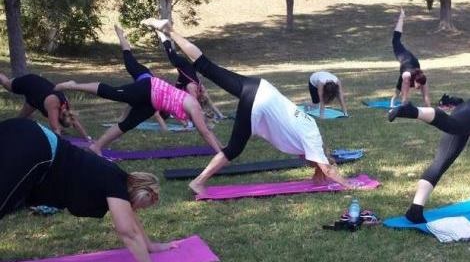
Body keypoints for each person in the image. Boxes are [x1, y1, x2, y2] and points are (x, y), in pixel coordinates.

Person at [141, 18, 354, 194]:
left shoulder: (310, 132)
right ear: (318, 156)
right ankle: (198, 182)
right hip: (259, 103)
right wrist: (350, 185)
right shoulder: (312, 143)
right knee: (233, 149)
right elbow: (327, 169)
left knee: (207, 67)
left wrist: (319, 171)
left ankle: (169, 30)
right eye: (312, 163)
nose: (307, 163)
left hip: (260, 86)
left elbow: (318, 172)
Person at [0, 118, 172, 262]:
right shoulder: (117, 185)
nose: (140, 210)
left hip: (26, 134)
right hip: (35, 146)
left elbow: (131, 220)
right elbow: (128, 232)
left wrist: (151, 246)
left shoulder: (117, 179)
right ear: (144, 195)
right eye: (144, 206)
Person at [54, 26, 223, 156]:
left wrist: (221, 148)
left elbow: (208, 131)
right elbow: (205, 132)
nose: (207, 119)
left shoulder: (195, 108)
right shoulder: (193, 105)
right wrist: (220, 153)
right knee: (112, 93)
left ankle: (96, 146)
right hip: (149, 88)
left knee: (126, 125)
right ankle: (73, 84)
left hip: (152, 102)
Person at [153, 29, 227, 121]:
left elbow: (211, 103)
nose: (203, 99)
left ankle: (170, 109)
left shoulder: (201, 89)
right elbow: (195, 107)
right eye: (202, 101)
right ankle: (162, 35)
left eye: (202, 100)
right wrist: (205, 117)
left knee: (175, 91)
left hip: (186, 70)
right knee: (171, 54)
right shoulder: (194, 88)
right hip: (183, 65)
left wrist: (220, 115)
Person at [0, 72, 90, 140]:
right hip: (30, 82)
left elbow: (76, 123)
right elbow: (56, 130)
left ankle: (8, 133)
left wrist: (87, 139)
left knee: (20, 119)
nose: (64, 111)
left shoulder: (67, 111)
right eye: (64, 114)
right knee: (7, 85)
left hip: (35, 99)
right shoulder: (53, 104)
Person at [390, 8, 429, 108]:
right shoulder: (407, 76)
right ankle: (401, 17)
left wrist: (429, 109)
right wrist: (403, 104)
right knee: (395, 41)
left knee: (402, 78)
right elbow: (404, 94)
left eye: (420, 86)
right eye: (419, 85)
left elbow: (426, 97)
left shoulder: (422, 79)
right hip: (405, 58)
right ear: (415, 80)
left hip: (415, 64)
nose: (419, 87)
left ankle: (393, 100)